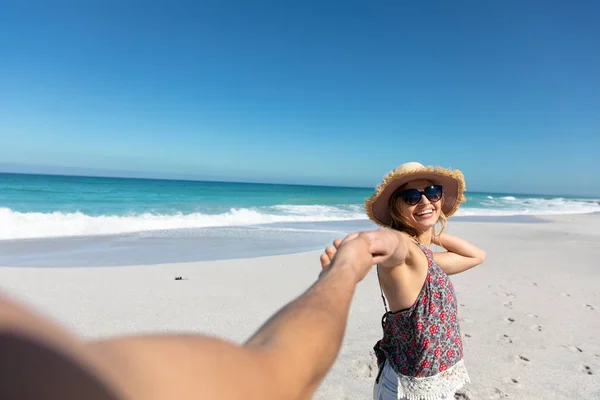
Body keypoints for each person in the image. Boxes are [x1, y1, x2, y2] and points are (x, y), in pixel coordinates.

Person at [0, 229, 405, 400]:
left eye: (430, 191)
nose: (421, 200)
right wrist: (345, 272)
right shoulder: (25, 353)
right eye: (409, 195)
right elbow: (280, 373)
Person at [361, 161, 486, 400]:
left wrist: (431, 233)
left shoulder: (425, 258)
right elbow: (394, 246)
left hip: (434, 383)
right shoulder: (404, 252)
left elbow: (477, 255)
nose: (426, 202)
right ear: (395, 207)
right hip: (407, 388)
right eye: (410, 197)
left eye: (432, 193)